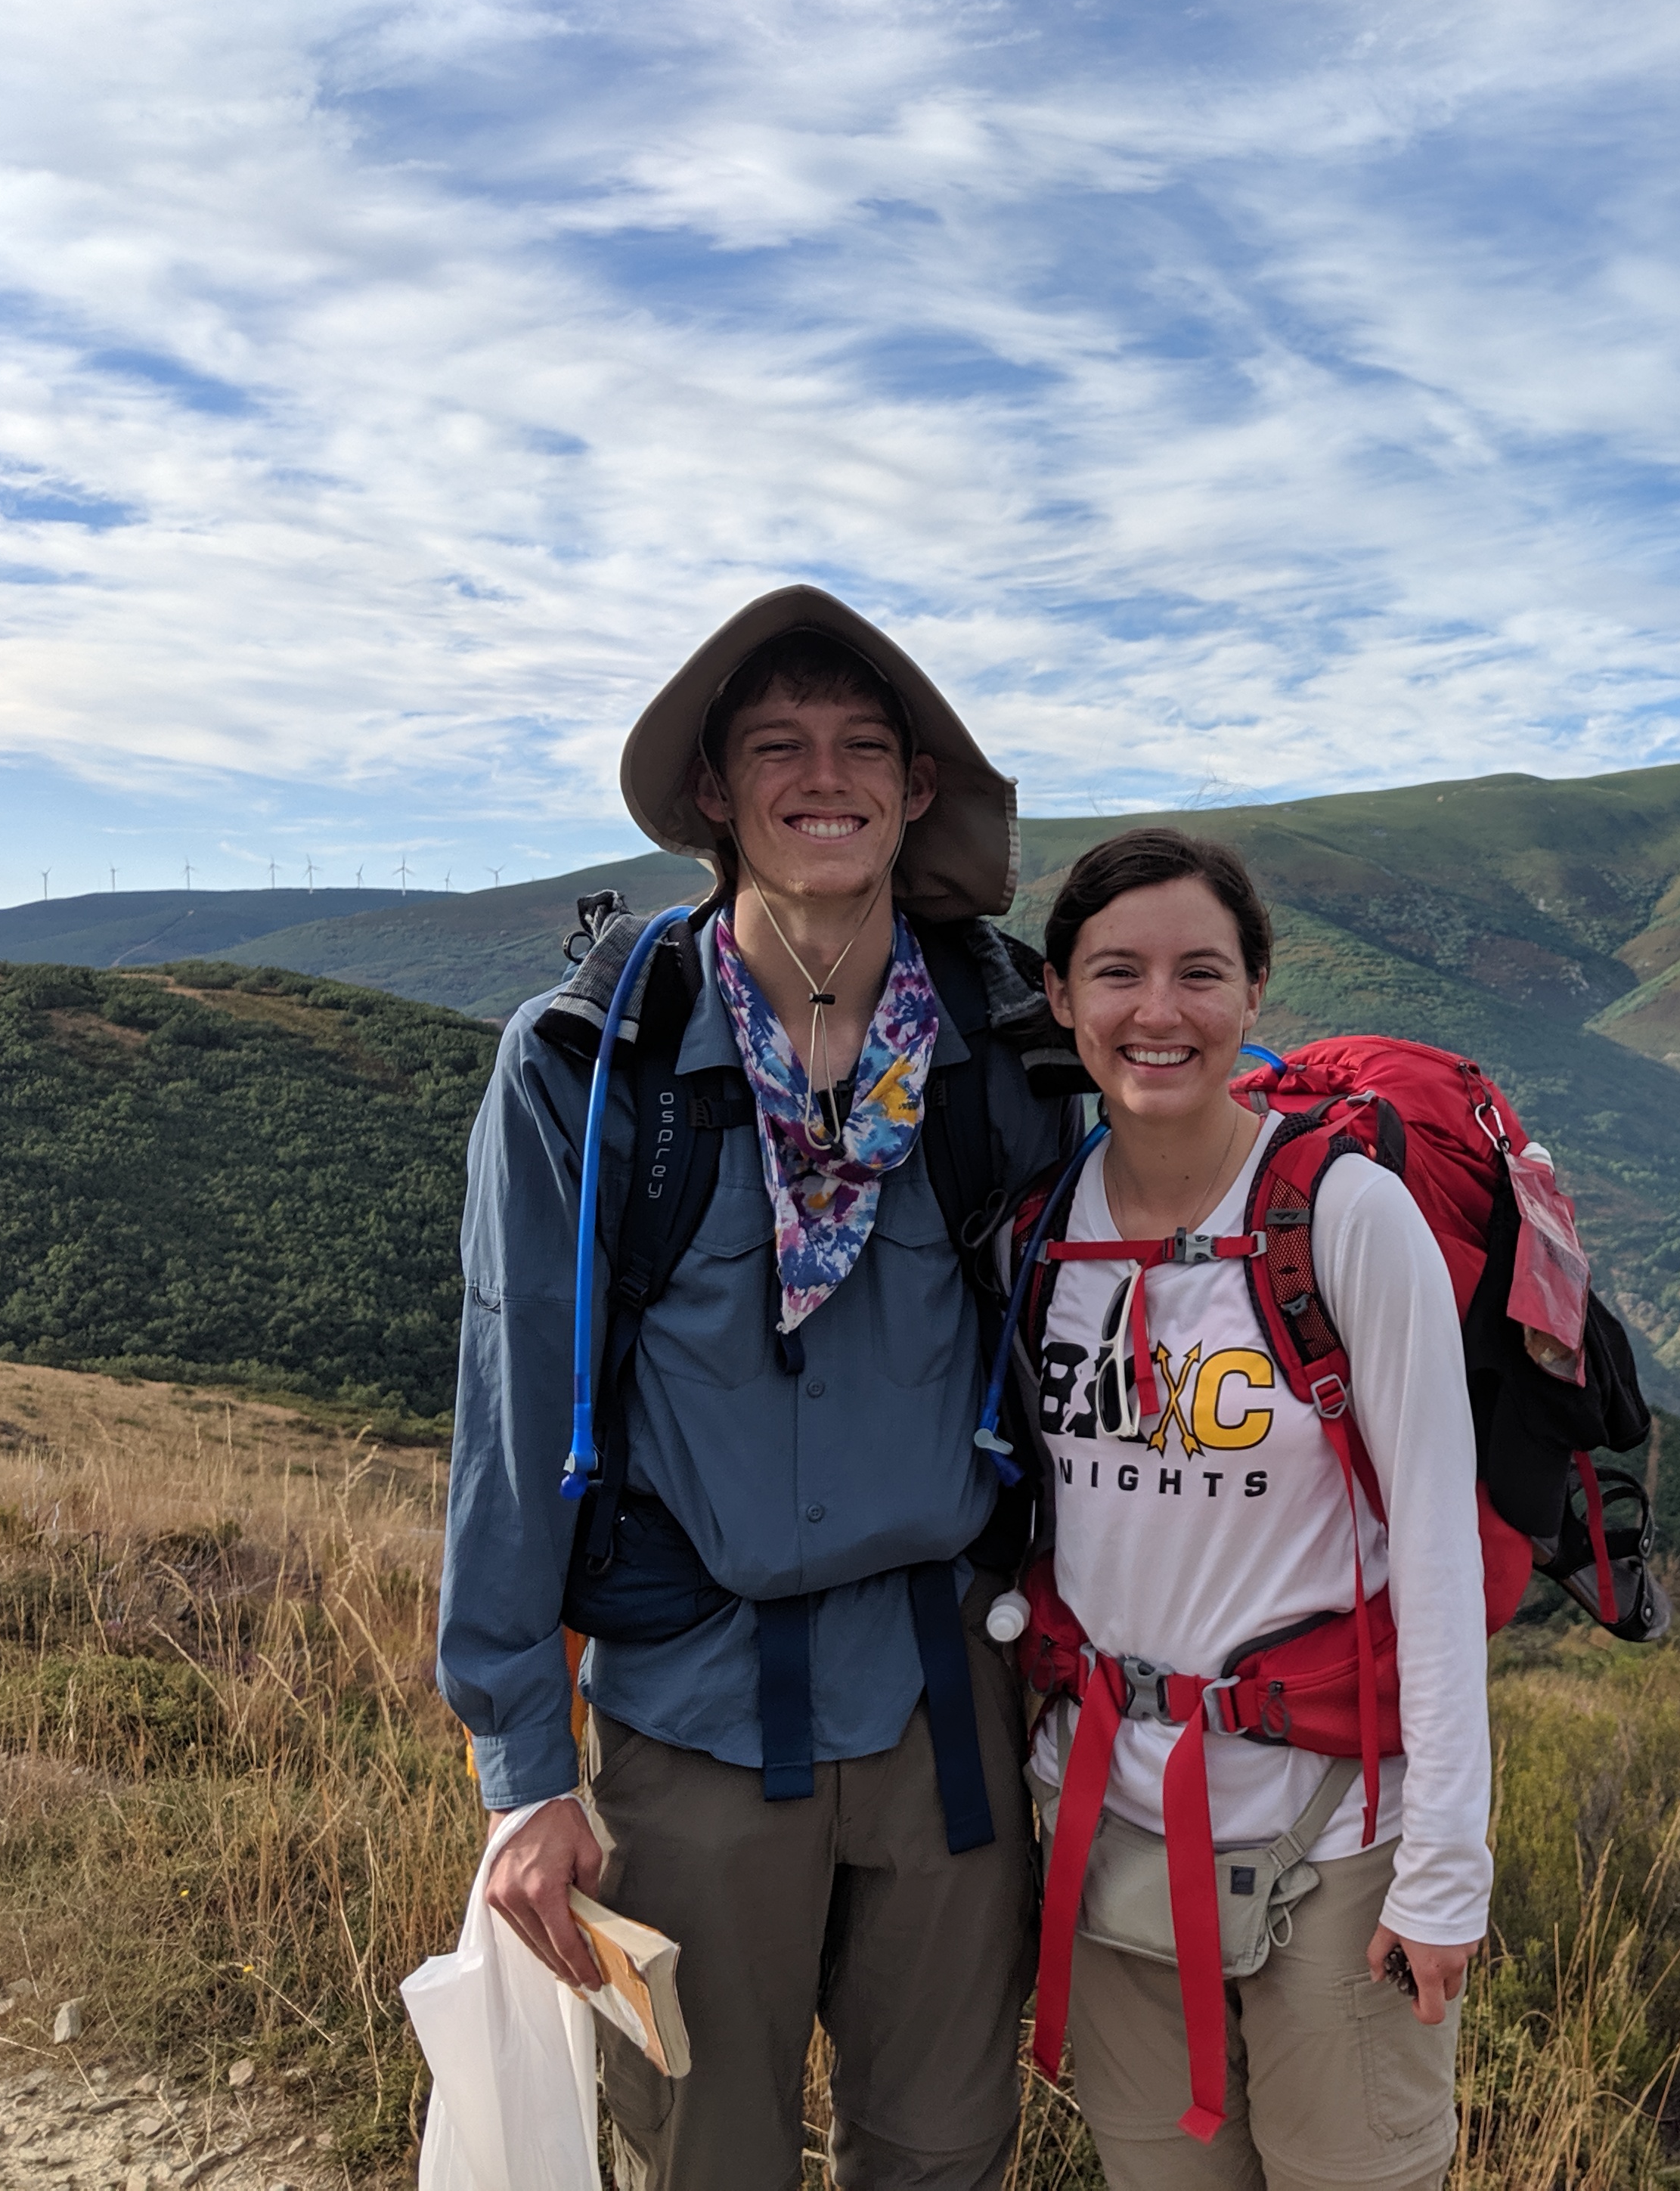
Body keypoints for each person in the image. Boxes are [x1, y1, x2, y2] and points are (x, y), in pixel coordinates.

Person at [436, 586, 1076, 2191]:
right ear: (715, 791)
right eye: (777, 744)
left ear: (919, 789)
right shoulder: (592, 1060)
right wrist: (522, 1776)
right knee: (705, 2162)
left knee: (941, 2156)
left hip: (954, 1712)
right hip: (693, 1720)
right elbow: (512, 1409)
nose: (825, 775)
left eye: (866, 745)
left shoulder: (1010, 1044)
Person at [1016, 827, 1489, 2191]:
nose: (1157, 1014)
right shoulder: (1043, 1232)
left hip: (1330, 1836)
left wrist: (1447, 1867)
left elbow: (1440, 1556)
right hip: (1104, 1818)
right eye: (1117, 973)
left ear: (1255, 994)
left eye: (1199, 974)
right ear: (1059, 997)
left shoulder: (1345, 1219)